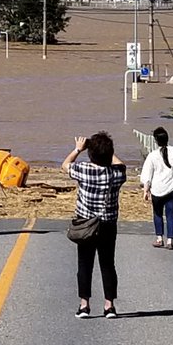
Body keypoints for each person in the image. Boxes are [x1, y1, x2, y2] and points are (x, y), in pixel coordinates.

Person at [63, 131, 127, 319]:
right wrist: (108, 151)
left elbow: (65, 166)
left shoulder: (84, 170)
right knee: (107, 264)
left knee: (84, 264)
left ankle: (84, 305)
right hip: (108, 224)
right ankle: (109, 306)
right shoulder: (117, 174)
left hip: (86, 224)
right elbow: (120, 164)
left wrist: (78, 149)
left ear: (91, 154)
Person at [139, 126, 173, 250]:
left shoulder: (152, 156)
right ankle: (170, 241)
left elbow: (147, 175)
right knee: (171, 215)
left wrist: (146, 190)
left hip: (157, 189)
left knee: (157, 214)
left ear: (156, 141)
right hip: (172, 188)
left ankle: (159, 238)